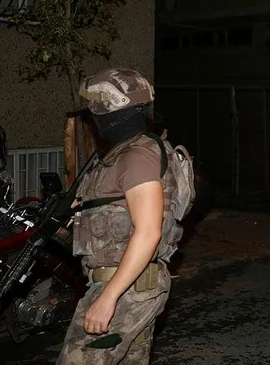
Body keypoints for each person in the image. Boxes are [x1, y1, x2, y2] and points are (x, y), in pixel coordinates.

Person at [57, 68, 185, 364]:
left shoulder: (137, 155)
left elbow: (149, 232)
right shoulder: (130, 152)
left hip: (124, 287)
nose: (94, 120)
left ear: (109, 110)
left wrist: (107, 298)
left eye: (95, 111)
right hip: (133, 285)